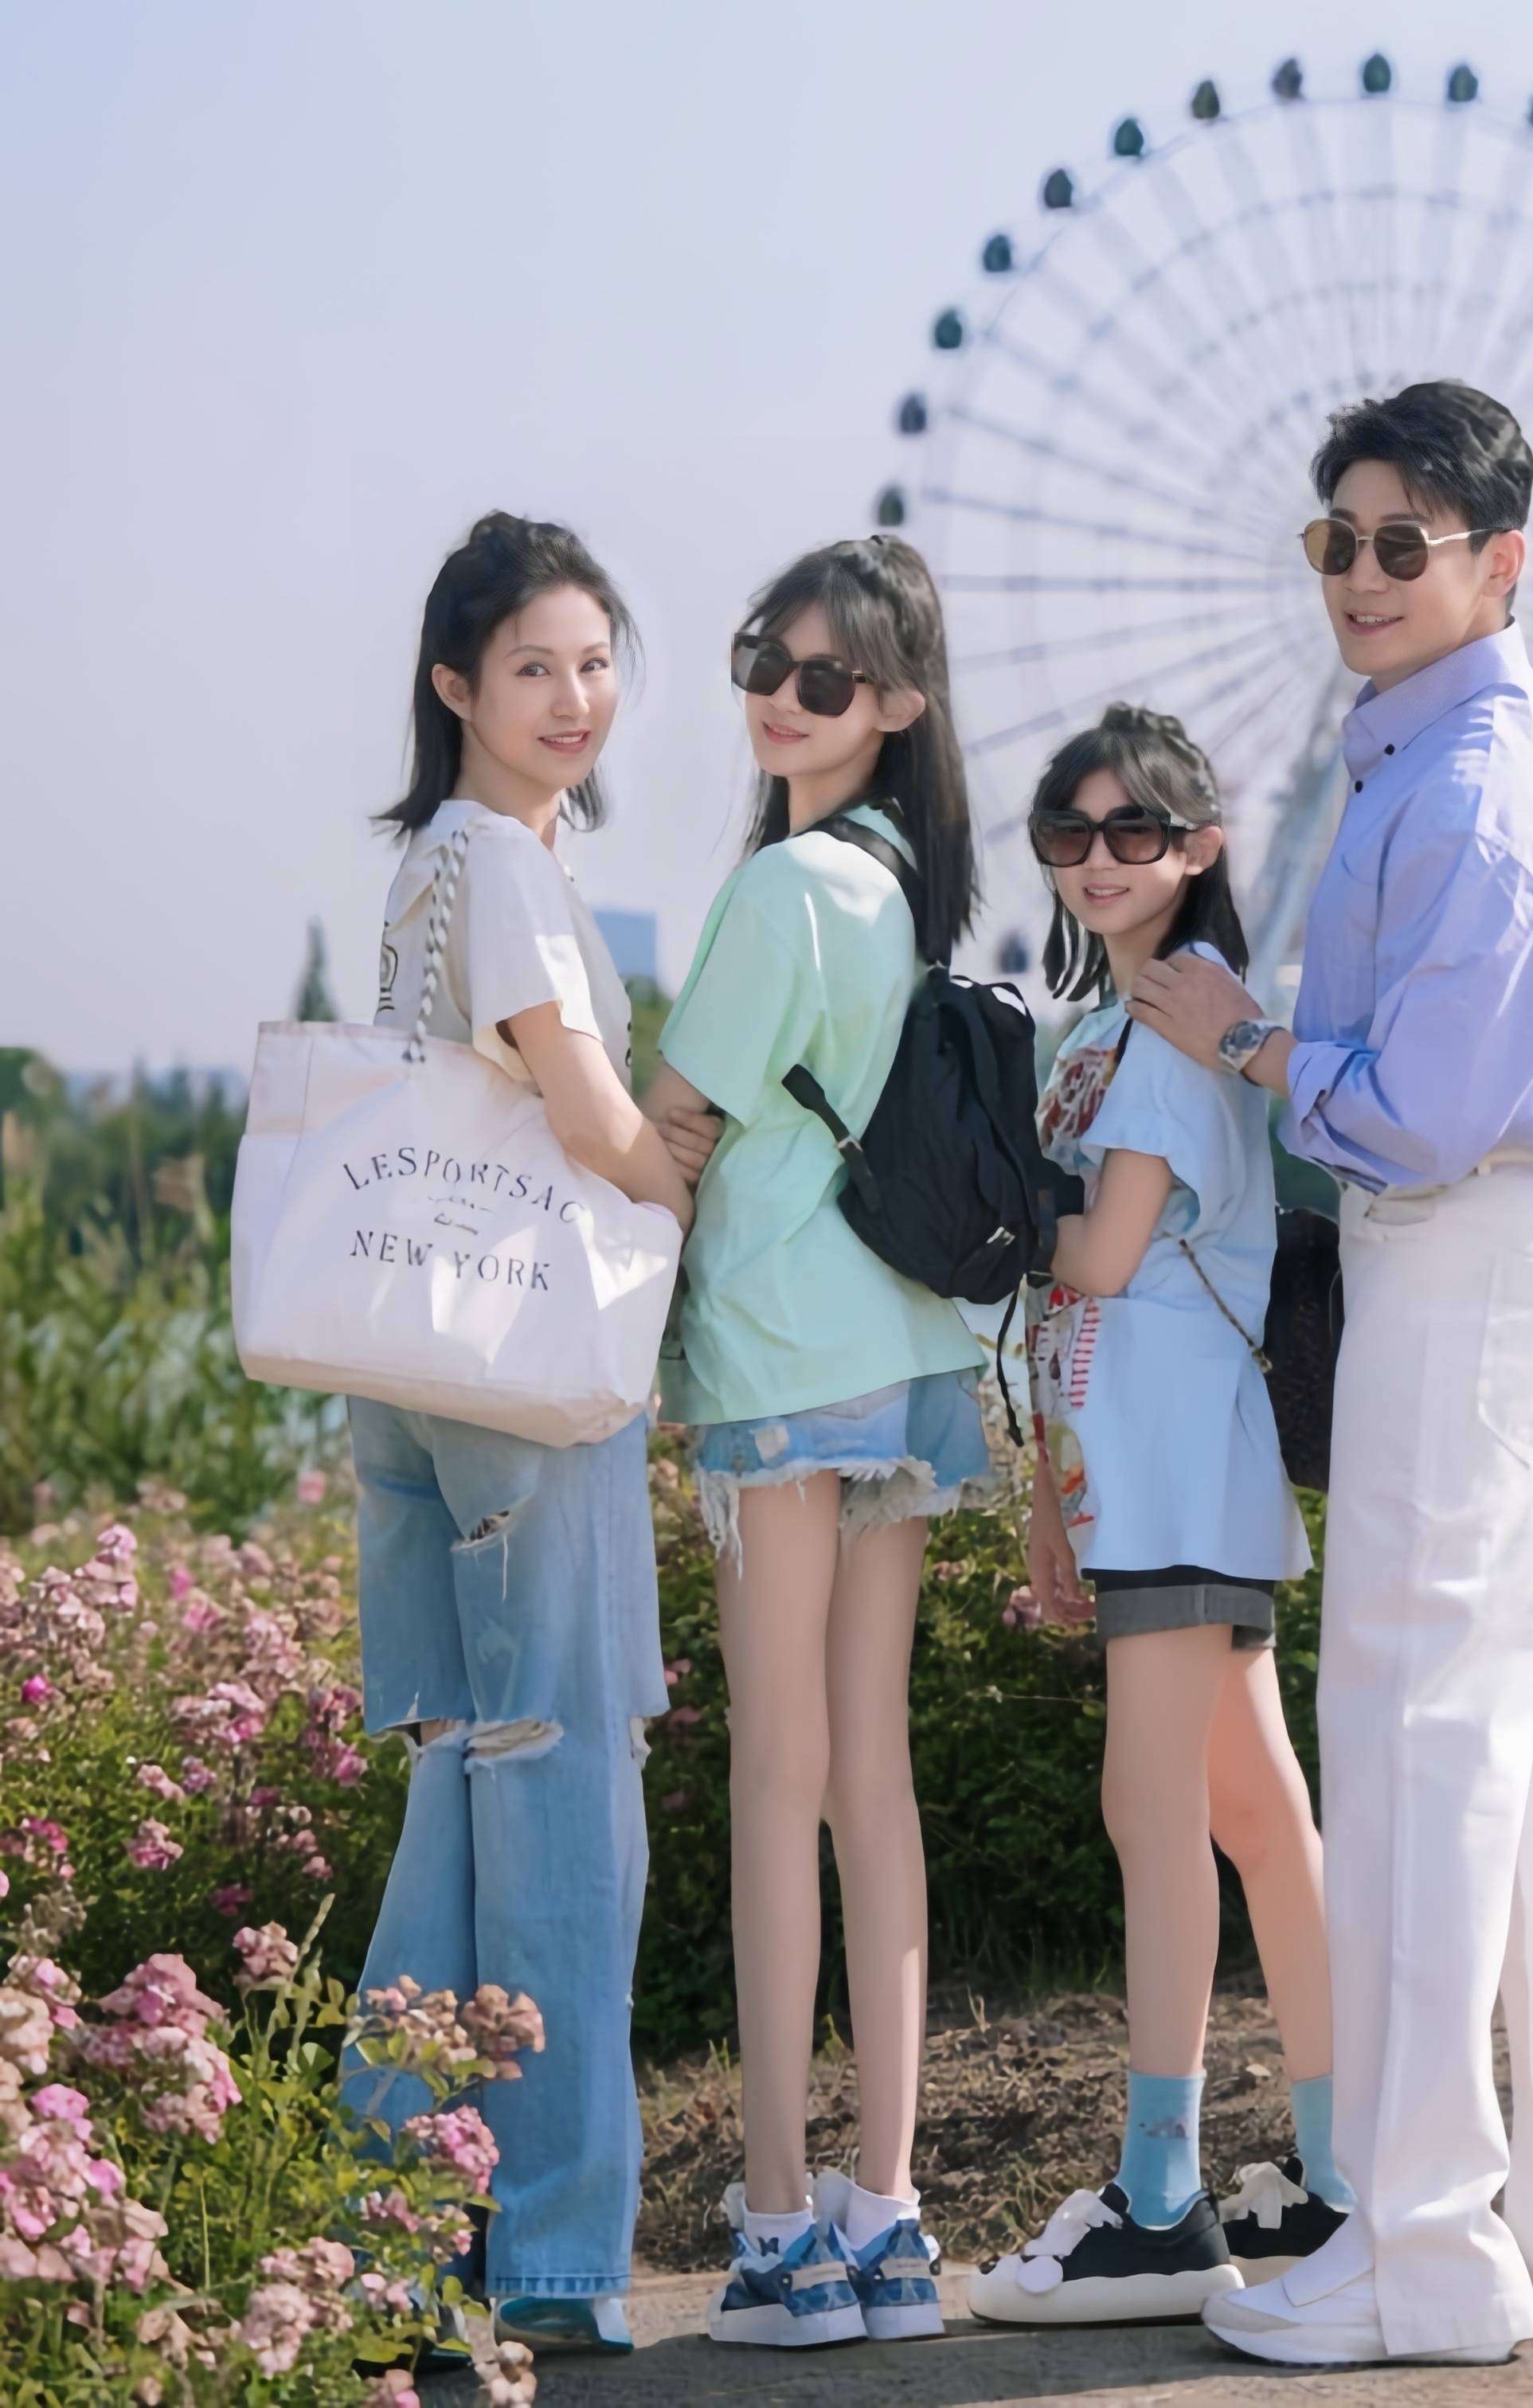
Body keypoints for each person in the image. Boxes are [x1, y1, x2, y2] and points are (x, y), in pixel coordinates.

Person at [1131, 382, 1533, 2369]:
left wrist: (1246, 1040)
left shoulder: (1468, 785)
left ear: (1498, 561)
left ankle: (1418, 2248)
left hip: (1464, 1252)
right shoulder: (1473, 752)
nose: (1357, 579)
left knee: (1413, 1737)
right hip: (1529, 1254)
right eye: (1335, 543)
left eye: (1400, 544)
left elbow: (1425, 1107)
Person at [340, 512, 696, 2366]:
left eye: (595, 664)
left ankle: (384, 2238)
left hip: (410, 1359)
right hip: (524, 1372)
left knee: (466, 1786)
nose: (574, 699)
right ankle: (554, 2253)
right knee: (564, 1791)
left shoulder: (430, 865)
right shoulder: (503, 862)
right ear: (456, 686)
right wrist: (689, 1198)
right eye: (534, 668)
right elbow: (583, 1113)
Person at [647, 535, 990, 2350]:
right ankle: (890, 2222)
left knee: (779, 1774)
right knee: (876, 1778)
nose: (781, 698)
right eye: (760, 663)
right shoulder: (910, 890)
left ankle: (778, 2228)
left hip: (781, 1358)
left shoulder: (783, 887)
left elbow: (672, 1128)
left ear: (898, 703)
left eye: (826, 678)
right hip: (910, 1357)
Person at [967, 705, 1348, 2329]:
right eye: (1069, 832)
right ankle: (1341, 2171)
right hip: (1150, 1467)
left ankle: (1162, 2196)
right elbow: (1086, 1303)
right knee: (1252, 1812)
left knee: (1156, 1814)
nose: (1098, 859)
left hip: (1180, 1465)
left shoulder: (1178, 1025)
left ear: (1198, 848)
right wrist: (1053, 1496)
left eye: (1135, 831)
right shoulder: (1112, 1029)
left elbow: (1103, 1259)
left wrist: (955, 1204)